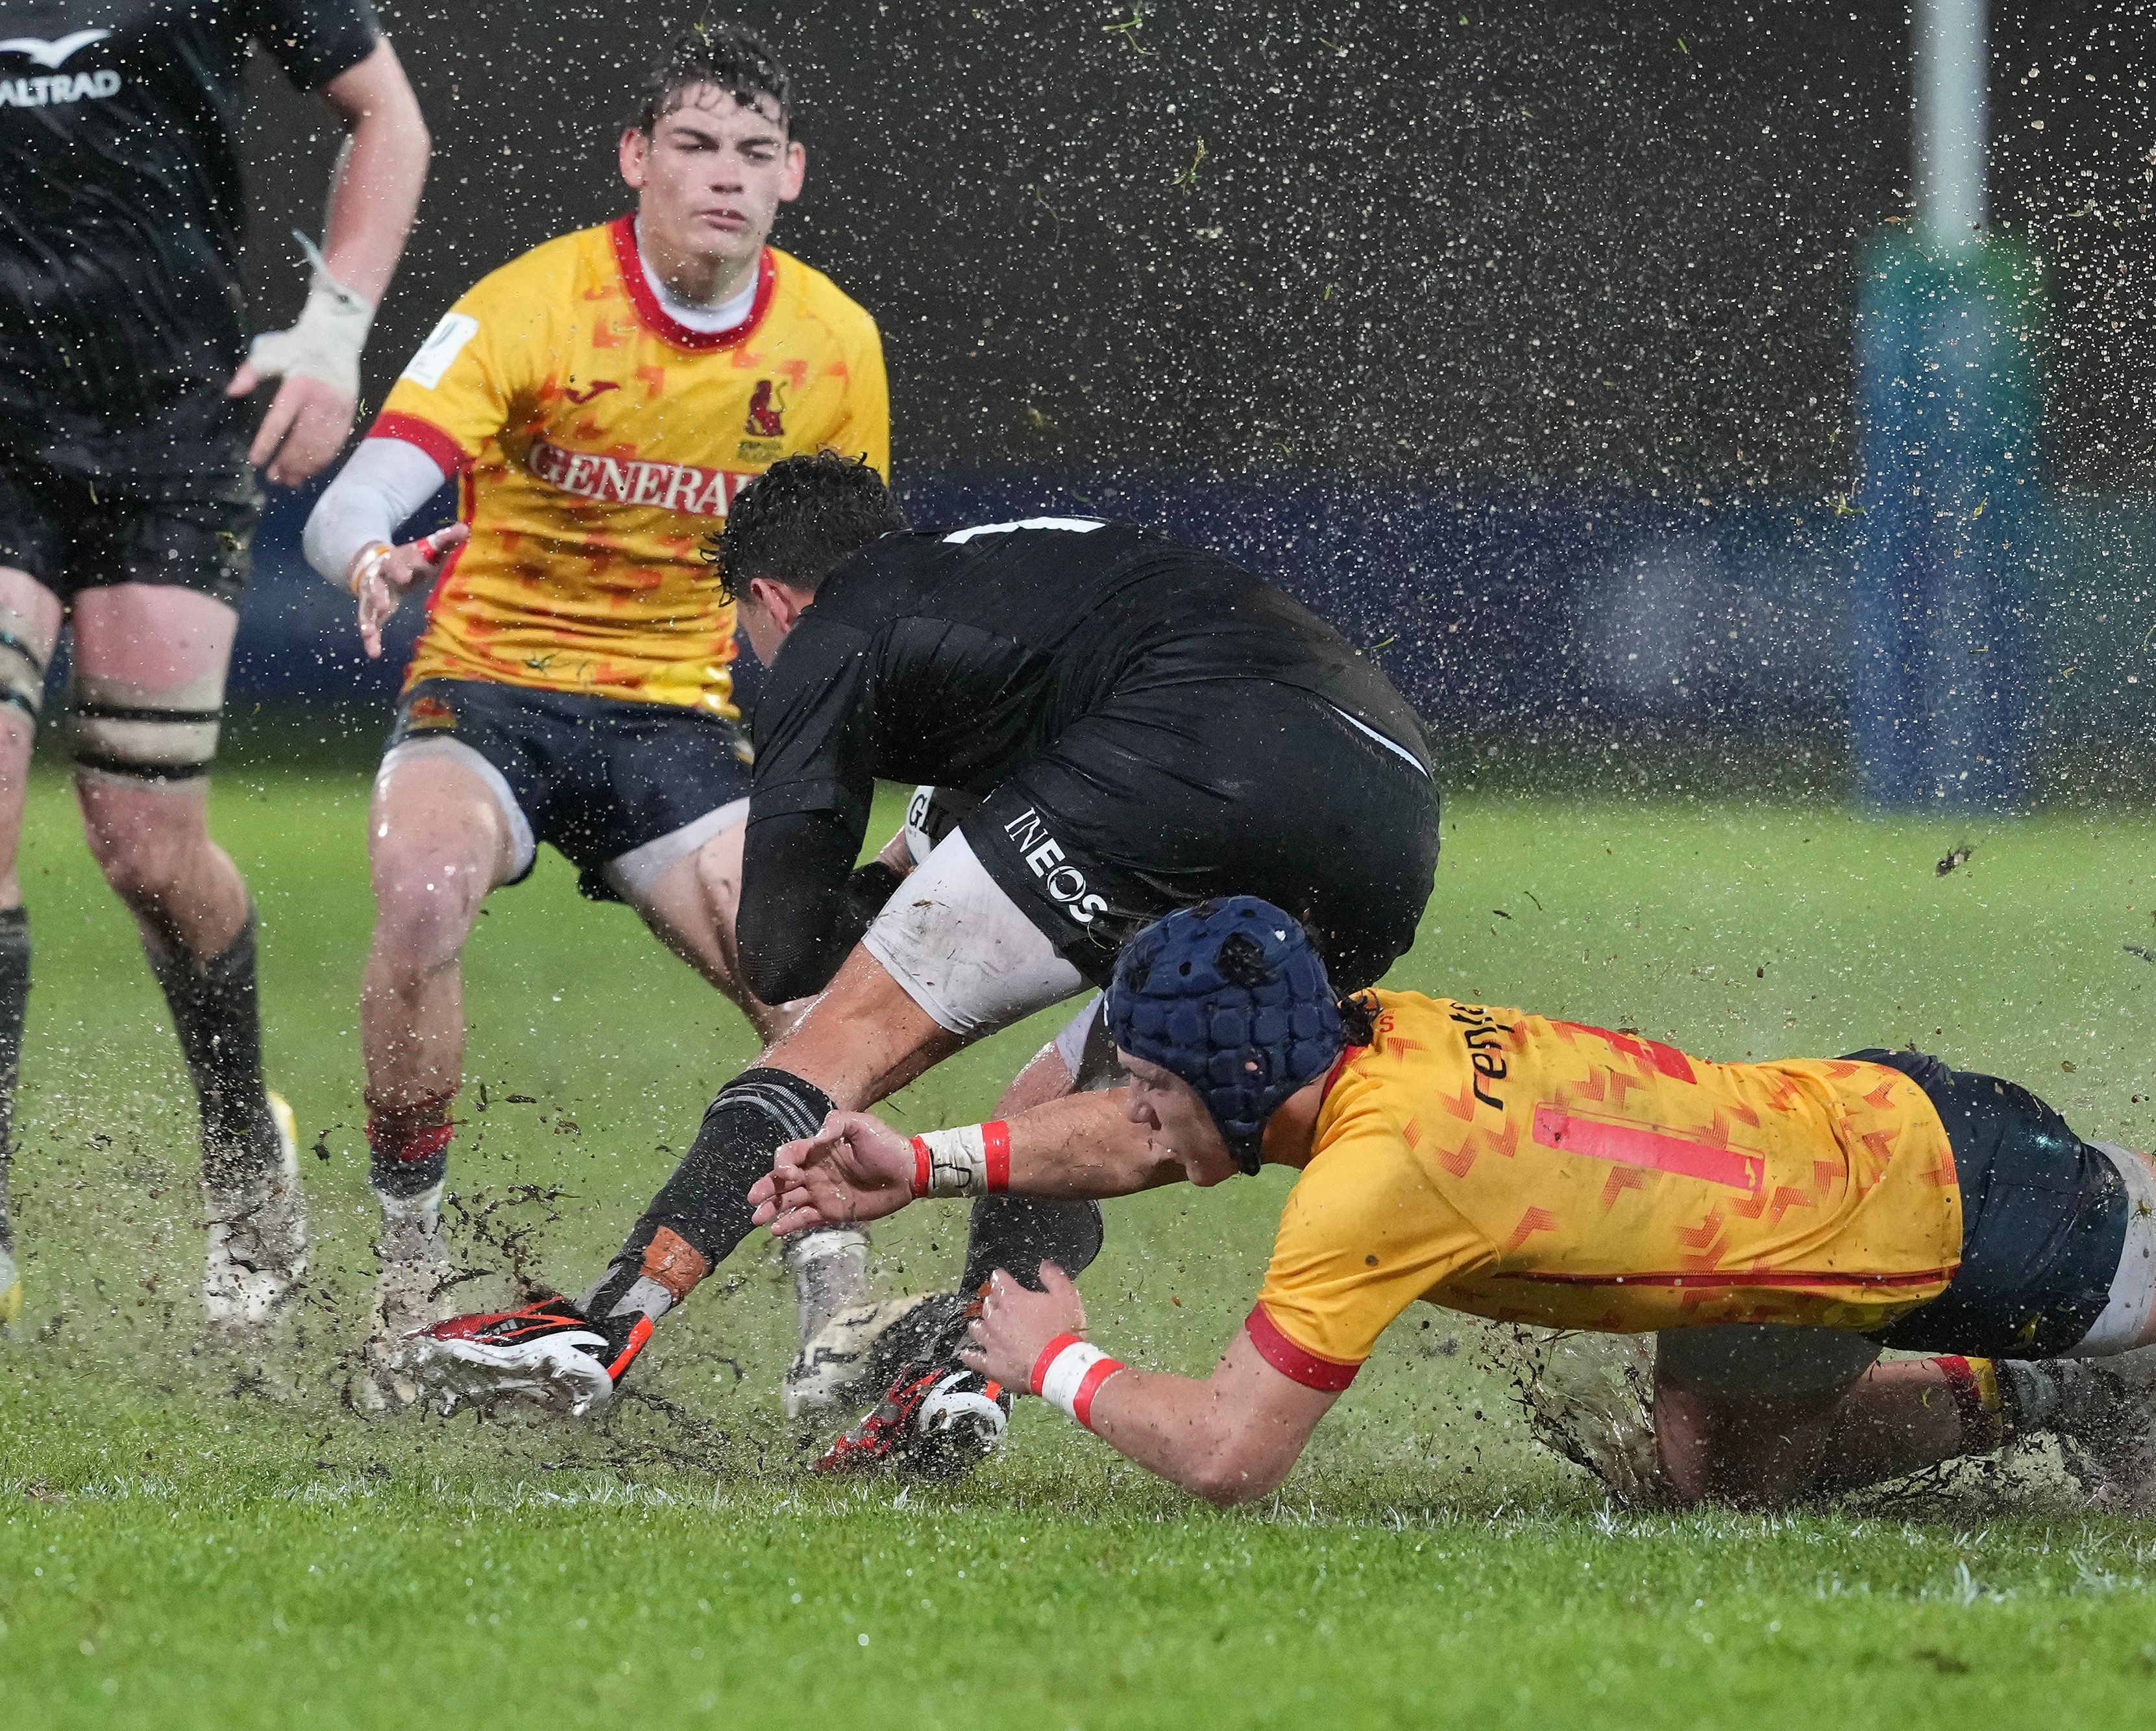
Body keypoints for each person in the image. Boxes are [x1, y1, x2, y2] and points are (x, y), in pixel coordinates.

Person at [746, 900, 2156, 1509]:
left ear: (1231, 1089)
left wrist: (1057, 1360)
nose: (1123, 1116)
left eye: (1144, 1084)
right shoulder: (1362, 1044)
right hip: (1783, 1215)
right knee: (1710, 1482)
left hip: (1940, 1186)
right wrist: (929, 1163)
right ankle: (2065, 1394)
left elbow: (1229, 1450)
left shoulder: (1383, 1167)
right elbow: (1158, 1140)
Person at [397, 456, 1442, 1453]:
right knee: (1068, 1109)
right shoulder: (999, 579)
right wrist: (916, 860)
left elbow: (779, 952)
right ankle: (968, 1374)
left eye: (750, 636)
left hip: (1186, 750)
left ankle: (604, 1325)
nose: (762, 661)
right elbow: (1048, 733)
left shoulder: (835, 626)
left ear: (776, 600)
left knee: (836, 1042)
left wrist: (868, 884)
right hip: (1390, 833)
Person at [298, 24, 888, 1390]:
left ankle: (835, 1307)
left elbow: (847, 578)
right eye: (693, 146)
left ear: (791, 174)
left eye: (752, 152)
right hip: (490, 687)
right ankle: (408, 1269)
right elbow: (356, 498)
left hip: (674, 720)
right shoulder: (532, 302)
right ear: (636, 159)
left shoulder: (832, 344)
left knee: (803, 976)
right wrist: (370, 557)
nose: (722, 178)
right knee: (422, 890)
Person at [0, 3, 430, 1331]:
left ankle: (243, 1141)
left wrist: (334, 328)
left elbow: (387, 113)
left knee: (144, 842)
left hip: (168, 434)